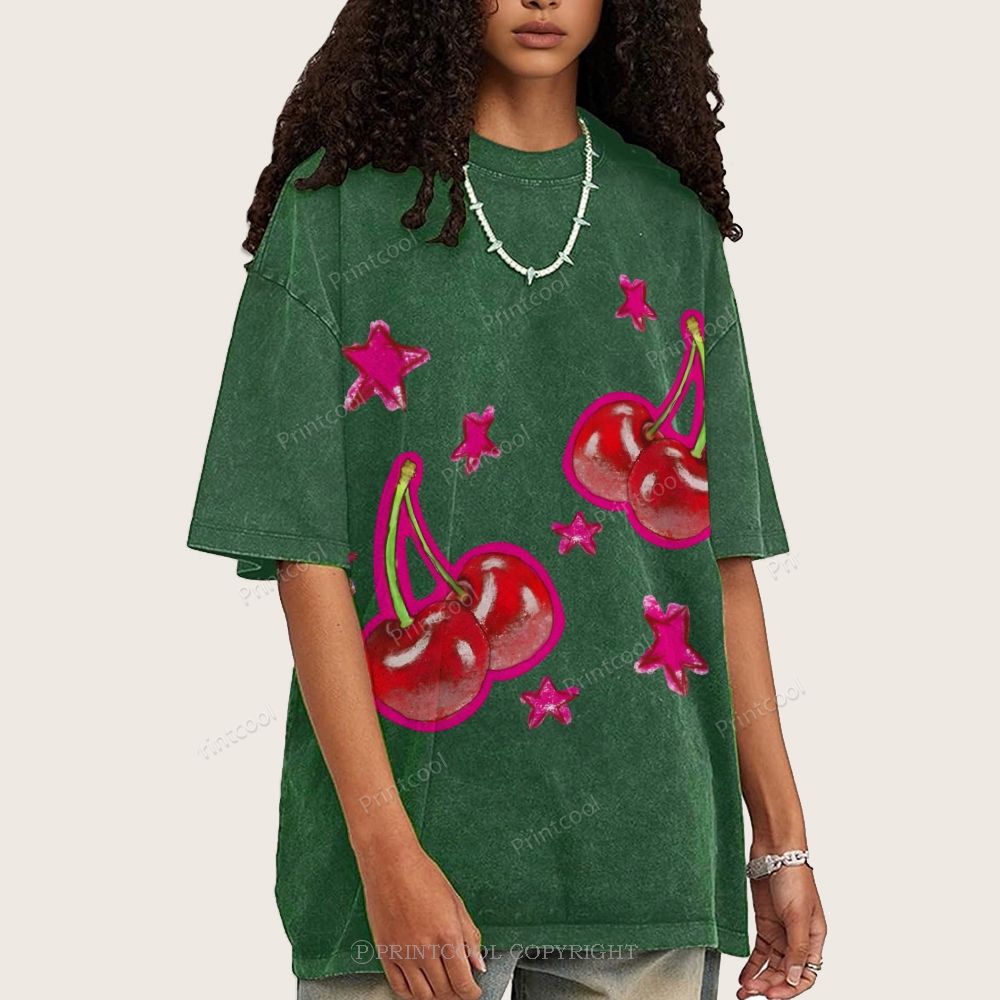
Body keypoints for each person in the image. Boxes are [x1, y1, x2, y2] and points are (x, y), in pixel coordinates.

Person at [187, 2, 827, 998]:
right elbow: (303, 557)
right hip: (408, 885)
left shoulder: (670, 220)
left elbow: (722, 556)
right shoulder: (336, 212)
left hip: (647, 860)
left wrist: (780, 841)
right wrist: (384, 855)